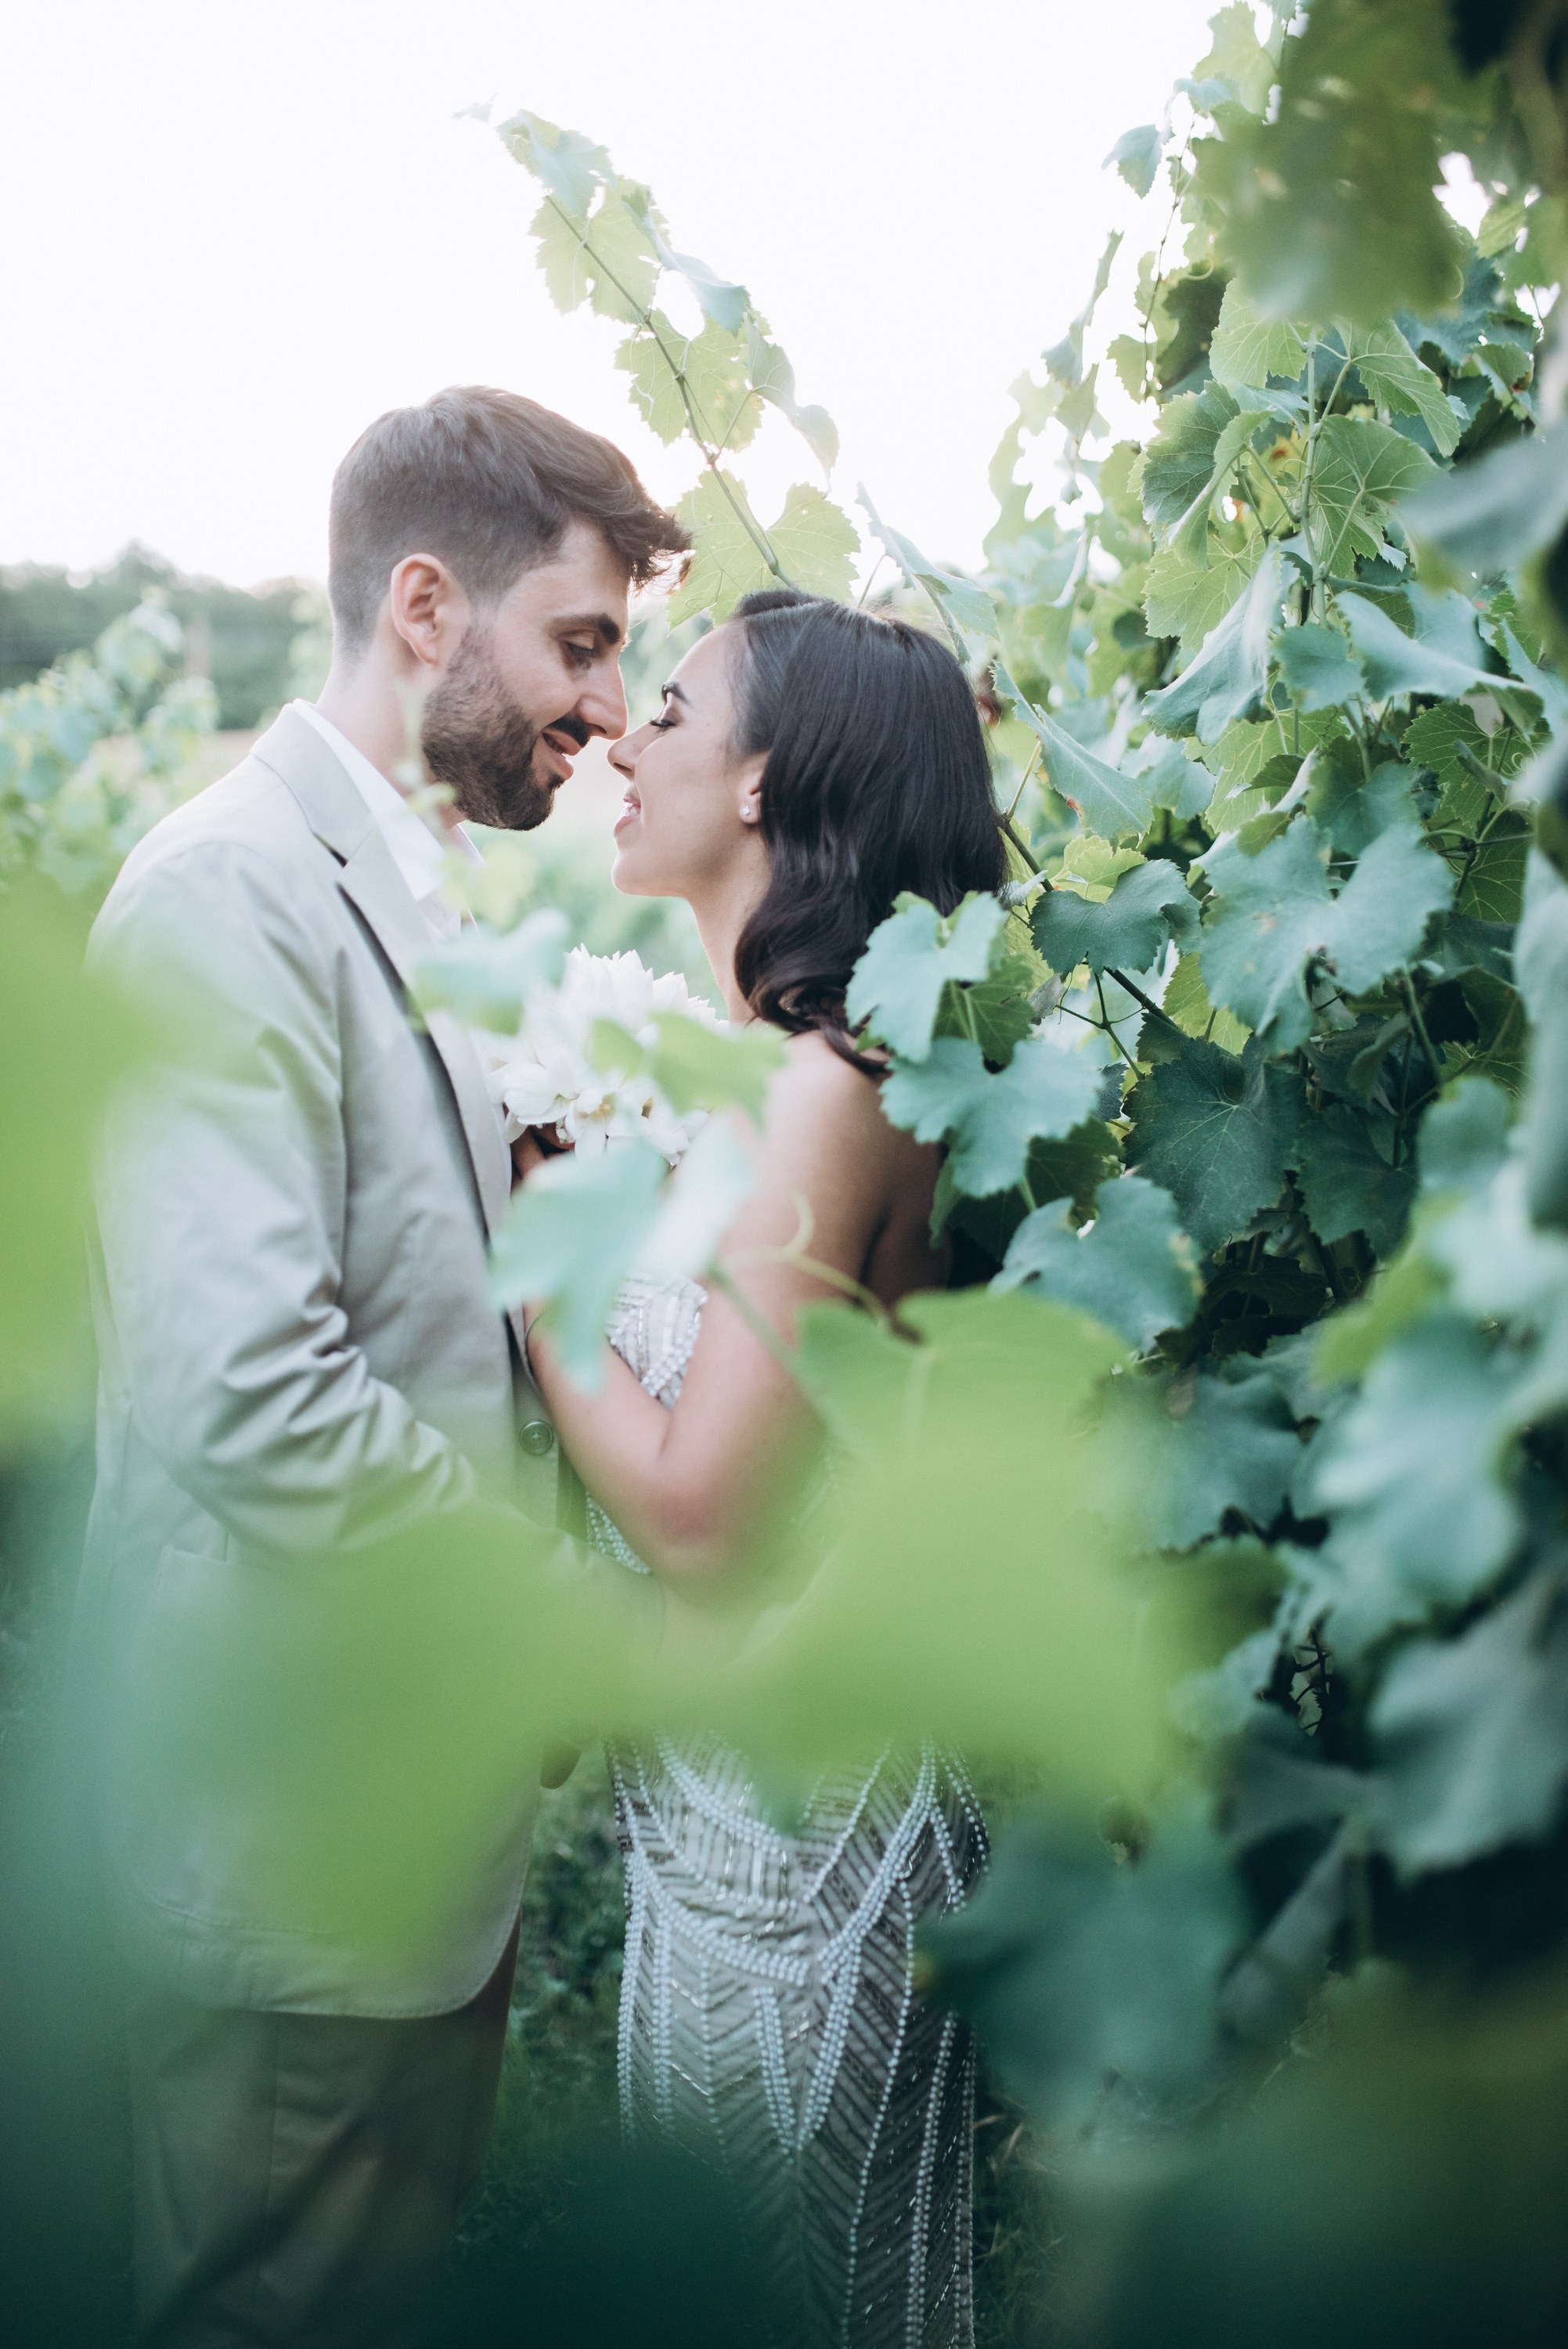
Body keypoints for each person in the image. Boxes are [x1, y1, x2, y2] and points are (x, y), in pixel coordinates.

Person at [77, 387, 687, 2346]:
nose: (606, 712)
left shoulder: (399, 896)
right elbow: (248, 1385)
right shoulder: (223, 896)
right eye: (579, 645)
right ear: (427, 606)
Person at [516, 589, 1006, 2349]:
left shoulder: (831, 1087)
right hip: (715, 1829)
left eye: (672, 703)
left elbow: (708, 1517)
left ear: (769, 775)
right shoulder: (749, 1078)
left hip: (809, 1849)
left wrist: (540, 1255)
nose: (622, 739)